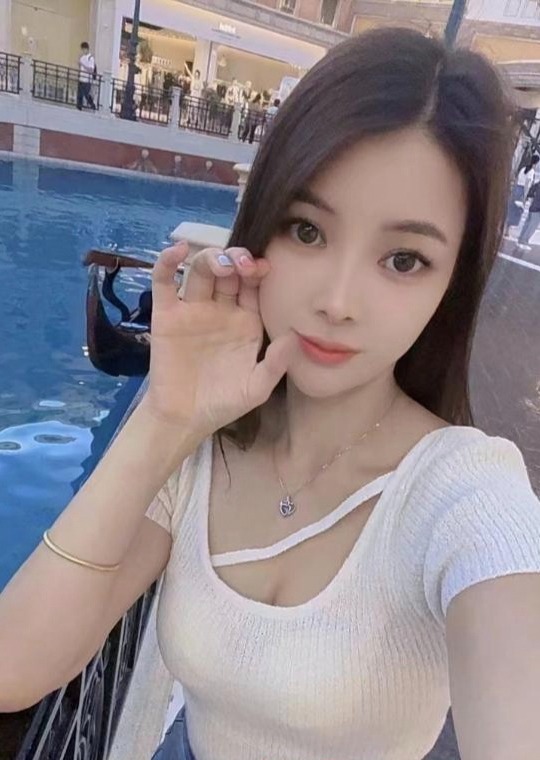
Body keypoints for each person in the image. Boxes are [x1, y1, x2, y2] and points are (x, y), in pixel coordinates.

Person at [2, 27, 540, 760]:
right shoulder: (202, 442)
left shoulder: (465, 492)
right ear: (260, 231)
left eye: (404, 259)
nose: (338, 302)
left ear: (451, 283)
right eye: (306, 231)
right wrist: (166, 417)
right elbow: (15, 669)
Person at [517, 177, 540, 251]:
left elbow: (532, 189)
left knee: (527, 224)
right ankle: (524, 241)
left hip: (533, 206)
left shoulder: (538, 183)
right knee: (532, 226)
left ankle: (520, 239)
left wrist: (531, 196)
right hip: (538, 208)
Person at [77, 41, 96, 111]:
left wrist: (83, 65)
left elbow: (91, 70)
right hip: (81, 78)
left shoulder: (90, 58)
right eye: (82, 49)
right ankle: (79, 107)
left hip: (87, 79)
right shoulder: (82, 57)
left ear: (87, 49)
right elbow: (80, 67)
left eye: (84, 49)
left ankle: (92, 105)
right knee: (79, 94)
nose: (83, 51)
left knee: (86, 94)